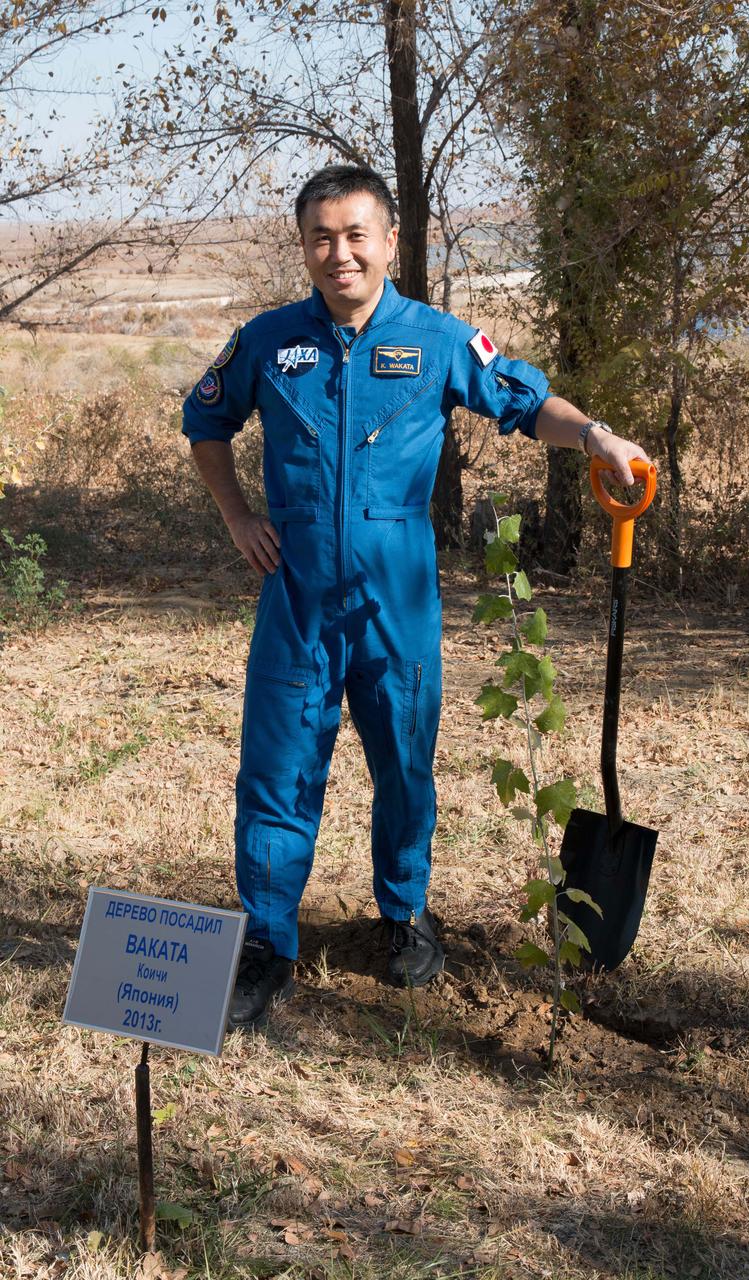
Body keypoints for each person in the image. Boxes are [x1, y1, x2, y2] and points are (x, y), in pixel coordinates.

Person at [183, 164, 650, 1028]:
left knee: (403, 759)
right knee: (279, 767)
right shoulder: (268, 340)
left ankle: (404, 913)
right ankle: (266, 941)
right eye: (322, 237)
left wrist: (593, 433)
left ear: (391, 241)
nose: (340, 253)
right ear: (303, 245)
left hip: (397, 589)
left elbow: (525, 401)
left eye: (356, 234)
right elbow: (204, 421)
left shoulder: (435, 339)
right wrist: (238, 516)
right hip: (294, 590)